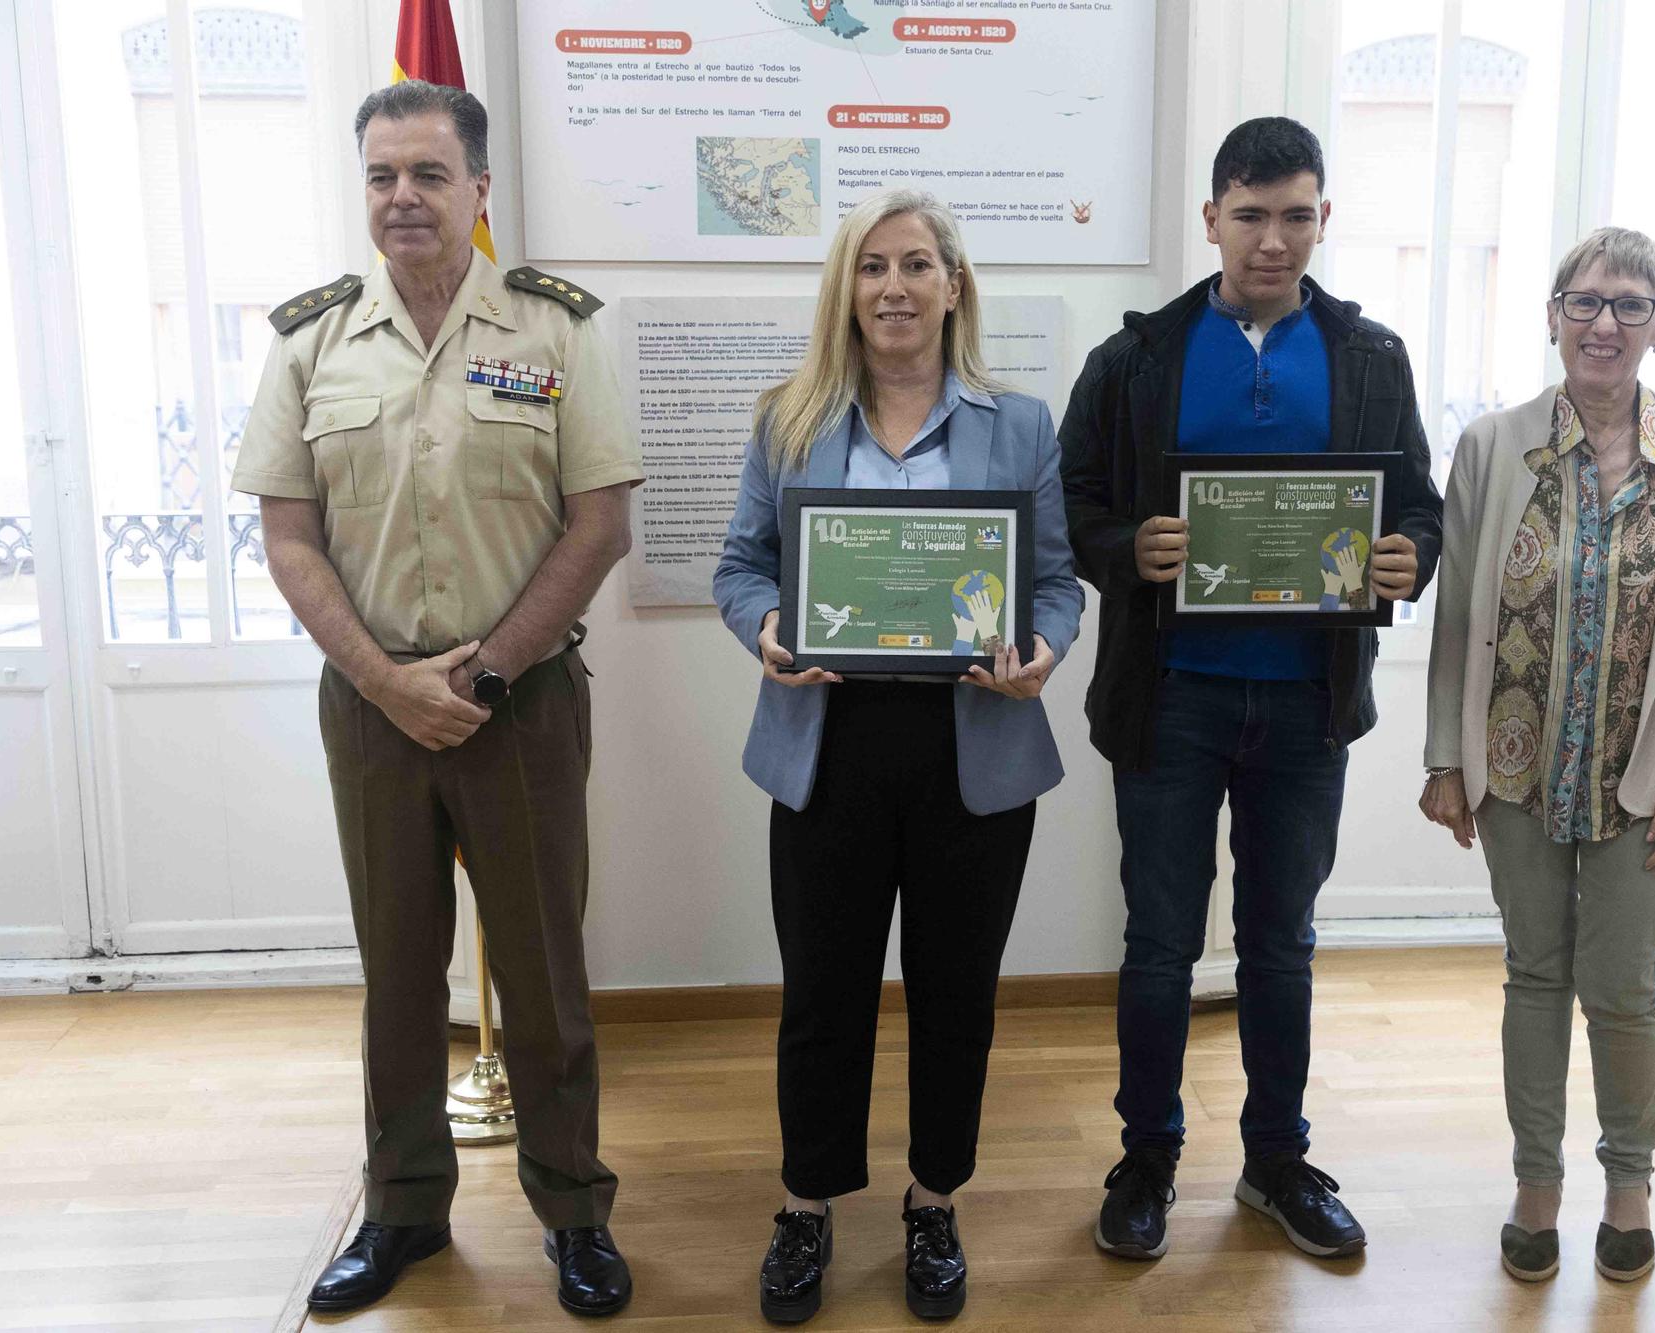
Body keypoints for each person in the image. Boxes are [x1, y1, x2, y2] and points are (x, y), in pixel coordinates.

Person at [232, 80, 641, 1317]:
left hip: (519, 703)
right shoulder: (310, 341)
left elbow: (599, 524)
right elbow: (289, 538)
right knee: (397, 970)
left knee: (542, 971)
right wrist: (387, 680)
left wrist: (485, 671)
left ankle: (573, 1210)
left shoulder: (554, 331)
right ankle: (402, 1208)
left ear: (478, 192)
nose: (401, 197)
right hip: (371, 708)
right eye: (379, 177)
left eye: (425, 174)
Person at [1060, 117, 1443, 1263]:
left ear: (1321, 219)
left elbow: (1417, 505)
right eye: (1249, 215)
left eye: (1295, 216)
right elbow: (1072, 507)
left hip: (1302, 706)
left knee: (1280, 943)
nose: (1271, 240)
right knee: (1160, 945)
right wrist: (1134, 548)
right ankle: (1146, 1156)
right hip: (1169, 697)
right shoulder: (1134, 357)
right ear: (1211, 217)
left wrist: (1407, 558)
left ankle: (1276, 1157)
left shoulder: (1369, 357)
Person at [712, 189, 1082, 1323]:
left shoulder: (1018, 424)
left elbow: (1057, 581)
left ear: (952, 285)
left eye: (916, 264)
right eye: (871, 267)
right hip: (827, 739)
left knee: (954, 991)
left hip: (973, 740)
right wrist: (767, 630)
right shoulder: (788, 418)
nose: (893, 288)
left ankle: (933, 1200)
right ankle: (807, 1204)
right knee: (822, 993)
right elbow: (741, 568)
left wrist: (1041, 652)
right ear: (846, 289)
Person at [1419, 226, 1655, 1284]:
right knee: (1532, 974)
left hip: (1643, 772)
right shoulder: (1490, 444)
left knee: (1620, 985)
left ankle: (1627, 1183)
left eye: (1628, 304)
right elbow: (1457, 608)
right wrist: (1443, 756)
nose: (1602, 323)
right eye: (1584, 301)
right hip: (1511, 764)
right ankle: (1533, 1184)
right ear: (1552, 313)